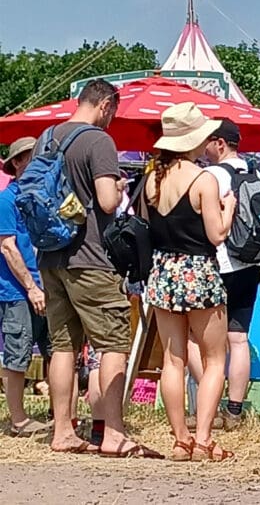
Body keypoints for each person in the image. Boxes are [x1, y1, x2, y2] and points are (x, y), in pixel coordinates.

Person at [35, 79, 157, 457]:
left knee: (63, 346)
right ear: (105, 104)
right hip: (90, 258)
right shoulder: (98, 141)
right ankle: (114, 433)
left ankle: (63, 431)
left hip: (51, 256)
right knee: (112, 344)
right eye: (113, 112)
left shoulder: (47, 137)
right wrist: (120, 188)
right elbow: (106, 202)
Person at [144, 102, 235, 462]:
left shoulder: (152, 179)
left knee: (173, 359)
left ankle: (180, 439)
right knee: (215, 359)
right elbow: (216, 235)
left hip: (163, 270)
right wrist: (227, 212)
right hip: (199, 272)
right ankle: (203, 440)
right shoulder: (204, 180)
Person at [185, 119, 260, 431]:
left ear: (220, 144)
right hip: (250, 262)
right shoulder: (254, 170)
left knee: (196, 339)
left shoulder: (212, 175)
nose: (203, 148)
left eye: (207, 142)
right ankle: (235, 410)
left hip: (219, 263)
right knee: (239, 338)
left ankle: (210, 404)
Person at [0, 137, 51, 437]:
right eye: (32, 158)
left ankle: (60, 413)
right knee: (18, 353)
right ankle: (18, 419)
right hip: (17, 290)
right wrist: (32, 287)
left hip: (46, 284)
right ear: (17, 163)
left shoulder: (41, 197)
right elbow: (7, 247)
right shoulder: (7, 201)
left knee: (54, 350)